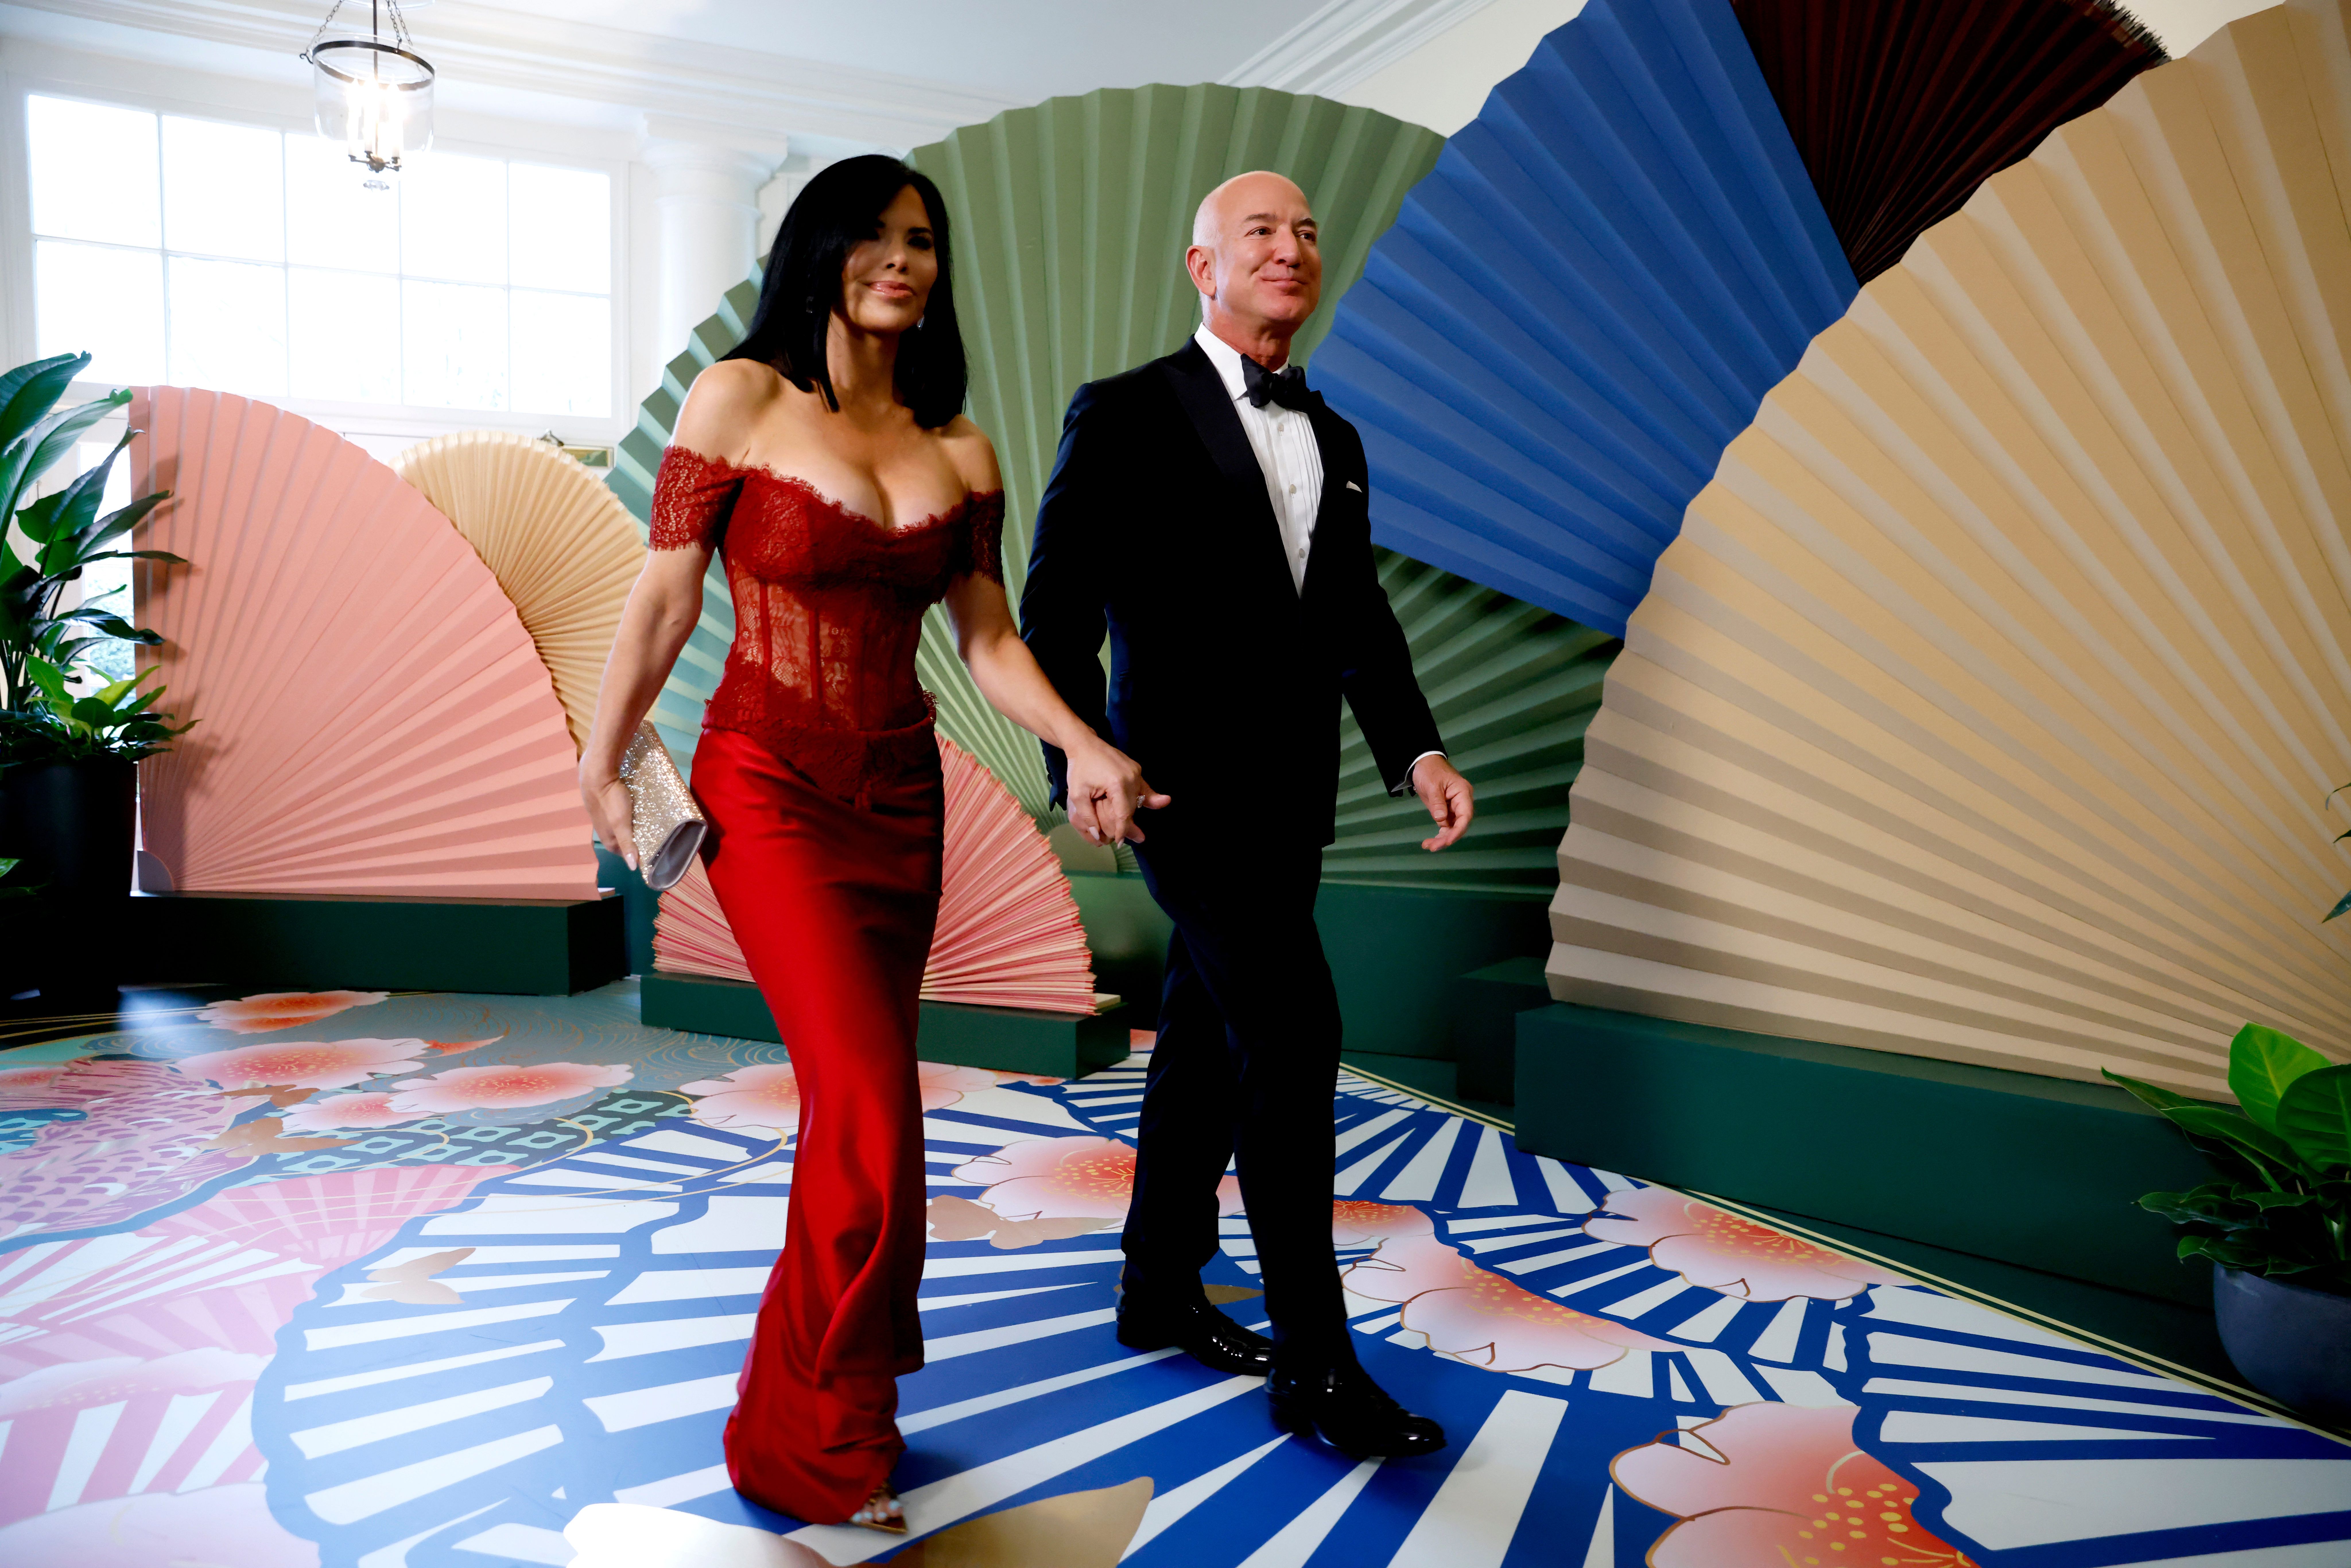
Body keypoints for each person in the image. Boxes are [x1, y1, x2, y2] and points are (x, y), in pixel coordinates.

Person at [577, 155, 1159, 1532]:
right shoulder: (740, 399)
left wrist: (1081, 740)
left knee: (868, 1116)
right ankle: (812, 1442)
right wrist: (602, 755)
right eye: (874, 236)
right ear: (819, 249)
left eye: (923, 240)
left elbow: (990, 643)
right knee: (866, 1107)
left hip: (904, 803)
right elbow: (664, 598)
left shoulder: (960, 450)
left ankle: (825, 1414)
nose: (901, 259)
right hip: (765, 785)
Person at [1019, 170, 1476, 1458]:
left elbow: (1351, 620)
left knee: (1212, 1044)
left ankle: (1156, 1289)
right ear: (1201, 266)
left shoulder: (1334, 439)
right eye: (1261, 233)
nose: (1291, 250)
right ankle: (1316, 1369)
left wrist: (1416, 749)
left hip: (1294, 801)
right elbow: (1050, 609)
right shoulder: (1122, 414)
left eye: (1307, 233)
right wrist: (1080, 759)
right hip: (1177, 797)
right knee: (1297, 1035)